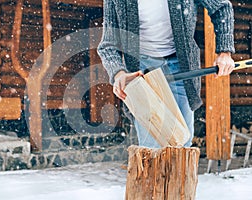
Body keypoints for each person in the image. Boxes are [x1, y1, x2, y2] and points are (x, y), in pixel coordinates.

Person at [97, 0, 235, 148]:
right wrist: (118, 73)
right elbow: (108, 45)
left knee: (181, 144)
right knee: (151, 148)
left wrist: (224, 52)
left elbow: (221, 7)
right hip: (141, 70)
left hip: (180, 64)